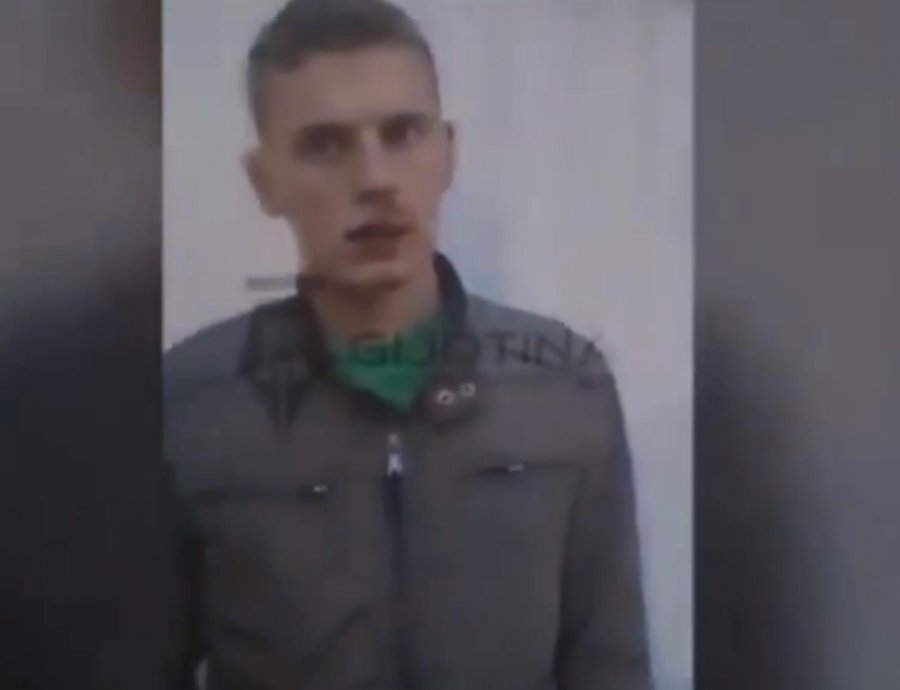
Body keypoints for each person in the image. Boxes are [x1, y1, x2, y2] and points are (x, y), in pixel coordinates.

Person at [164, 1, 653, 688]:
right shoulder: (187, 405)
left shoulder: (564, 386)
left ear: (447, 153)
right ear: (265, 181)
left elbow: (610, 666)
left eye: (403, 134)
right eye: (325, 145)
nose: (374, 180)